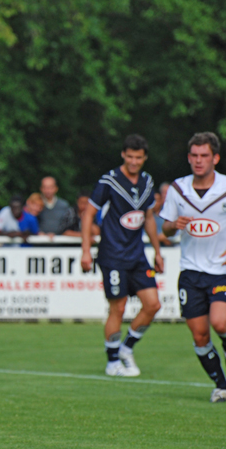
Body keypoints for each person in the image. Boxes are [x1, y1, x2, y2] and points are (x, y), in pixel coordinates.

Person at [160, 132, 226, 402]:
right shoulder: (178, 190)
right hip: (191, 272)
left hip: (223, 269)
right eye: (194, 155)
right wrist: (173, 225)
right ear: (188, 158)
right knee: (200, 335)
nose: (198, 161)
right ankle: (222, 385)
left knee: (219, 321)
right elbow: (166, 229)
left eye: (204, 155)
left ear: (215, 158)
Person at [81, 134, 163, 377]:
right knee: (118, 308)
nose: (134, 161)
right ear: (123, 155)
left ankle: (126, 348)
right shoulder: (110, 180)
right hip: (112, 254)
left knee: (153, 304)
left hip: (138, 255)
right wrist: (86, 250)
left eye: (138, 157)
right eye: (130, 156)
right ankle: (112, 361)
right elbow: (88, 214)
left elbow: (148, 218)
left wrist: (157, 251)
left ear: (144, 158)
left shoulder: (147, 182)